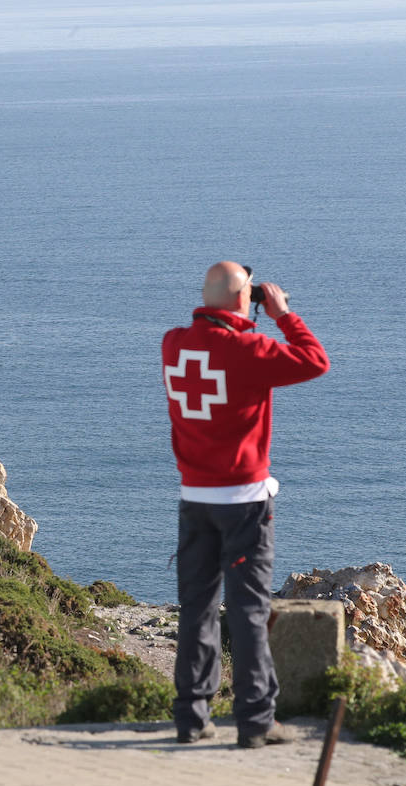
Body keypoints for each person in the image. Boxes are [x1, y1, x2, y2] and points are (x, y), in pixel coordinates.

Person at [162, 261, 330, 749]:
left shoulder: (173, 344)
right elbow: (315, 360)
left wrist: (240, 308)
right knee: (248, 610)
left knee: (196, 610)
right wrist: (281, 314)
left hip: (194, 499)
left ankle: (191, 718)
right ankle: (256, 721)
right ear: (244, 300)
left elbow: (209, 335)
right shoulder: (251, 350)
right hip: (244, 503)